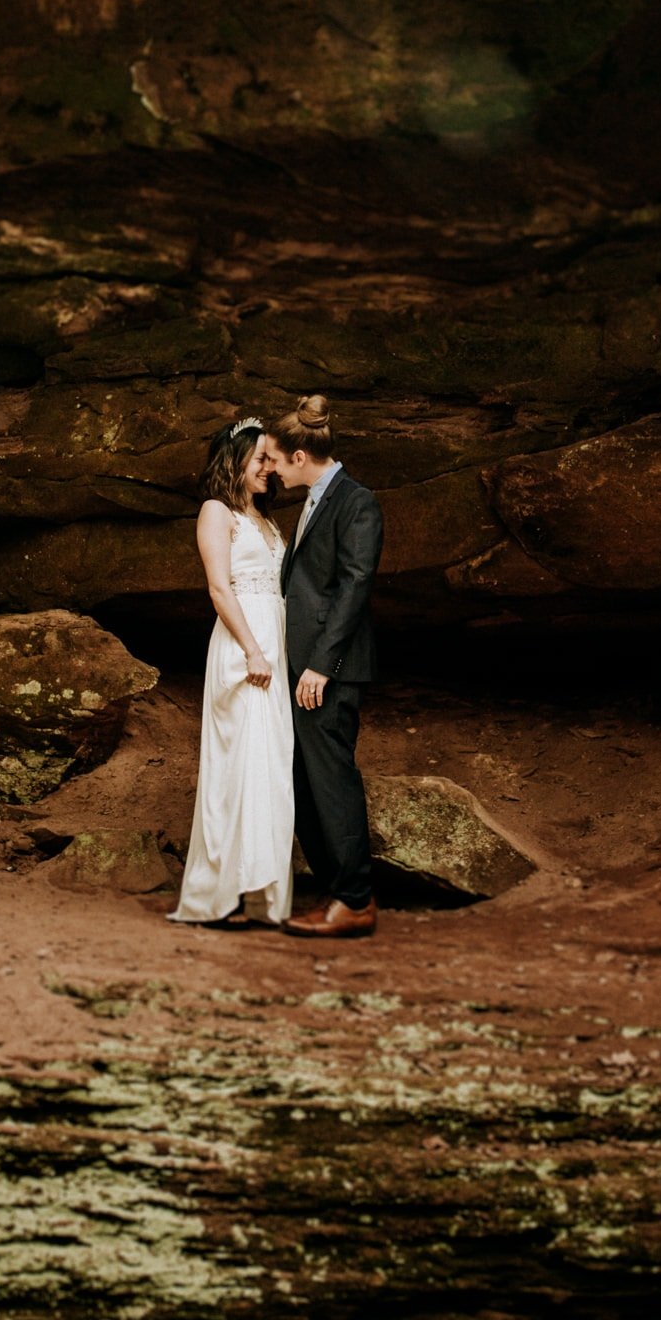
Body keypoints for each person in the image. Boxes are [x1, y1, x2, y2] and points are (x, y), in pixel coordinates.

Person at [263, 395, 383, 940]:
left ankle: (355, 900)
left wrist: (321, 666)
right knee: (305, 783)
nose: (268, 470)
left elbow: (354, 588)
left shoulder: (357, 502)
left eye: (274, 460)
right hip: (301, 667)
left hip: (326, 672)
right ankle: (338, 893)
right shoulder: (315, 497)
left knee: (331, 782)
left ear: (300, 455)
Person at [168, 418, 295, 927]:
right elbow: (220, 589)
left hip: (275, 645)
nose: (269, 468)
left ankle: (262, 894)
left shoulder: (266, 520)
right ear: (236, 458)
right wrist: (253, 652)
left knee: (271, 766)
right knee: (239, 764)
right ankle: (219, 893)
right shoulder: (215, 512)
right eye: (261, 458)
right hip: (245, 648)